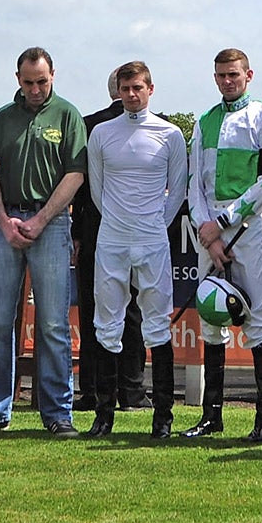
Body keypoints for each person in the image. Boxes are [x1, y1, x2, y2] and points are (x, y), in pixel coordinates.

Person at [0, 47, 87, 438]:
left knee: (54, 323)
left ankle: (58, 413)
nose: (36, 89)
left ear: (53, 75)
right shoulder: (2, 119)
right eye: (28, 82)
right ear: (17, 79)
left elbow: (76, 173)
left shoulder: (68, 115)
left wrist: (41, 220)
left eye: (42, 81)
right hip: (6, 220)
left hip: (53, 222)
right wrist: (3, 220)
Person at [182, 48, 262, 442]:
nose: (228, 81)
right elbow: (195, 182)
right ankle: (212, 416)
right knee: (210, 317)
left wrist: (224, 222)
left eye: (234, 74)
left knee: (257, 319)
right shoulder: (204, 121)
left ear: (248, 75)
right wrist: (206, 228)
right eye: (221, 75)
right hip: (209, 229)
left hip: (247, 227)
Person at [84, 62, 187, 439]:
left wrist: (154, 224)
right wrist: (118, 221)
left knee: (157, 323)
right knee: (106, 324)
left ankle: (162, 416)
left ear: (150, 88)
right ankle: (104, 414)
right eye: (125, 88)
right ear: (118, 90)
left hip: (152, 240)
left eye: (138, 87)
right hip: (111, 239)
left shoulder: (170, 134)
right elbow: (97, 190)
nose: (131, 94)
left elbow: (177, 190)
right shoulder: (101, 134)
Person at [72, 69, 152, 413]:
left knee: (95, 312)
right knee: (132, 311)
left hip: (93, 229)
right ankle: (131, 390)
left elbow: (79, 184)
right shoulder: (147, 127)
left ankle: (90, 390)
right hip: (132, 229)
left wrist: (76, 232)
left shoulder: (86, 126)